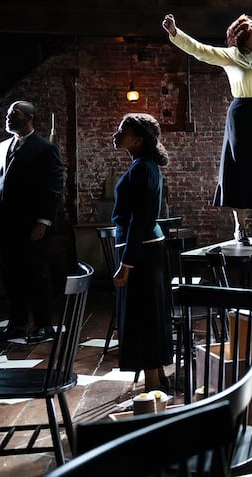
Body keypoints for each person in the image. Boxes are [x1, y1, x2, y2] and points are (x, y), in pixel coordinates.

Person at [162, 0, 252, 246]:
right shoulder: (232, 56)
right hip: (243, 115)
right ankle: (240, 229)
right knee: (242, 170)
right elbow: (201, 51)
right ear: (245, 36)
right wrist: (176, 33)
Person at [0, 100, 64, 344]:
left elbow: (54, 187)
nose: (8, 117)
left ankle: (43, 325)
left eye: (14, 113)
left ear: (29, 117)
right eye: (8, 113)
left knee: (36, 275)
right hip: (3, 226)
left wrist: (43, 221)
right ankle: (16, 324)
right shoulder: (1, 147)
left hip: (31, 227)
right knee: (10, 276)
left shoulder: (45, 148)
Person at [111, 113, 173, 392]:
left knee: (143, 315)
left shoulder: (142, 169)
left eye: (122, 130)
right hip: (145, 250)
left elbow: (140, 219)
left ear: (137, 140)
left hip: (142, 253)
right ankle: (157, 376)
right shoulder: (143, 166)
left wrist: (127, 263)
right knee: (148, 313)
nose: (116, 133)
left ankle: (152, 385)